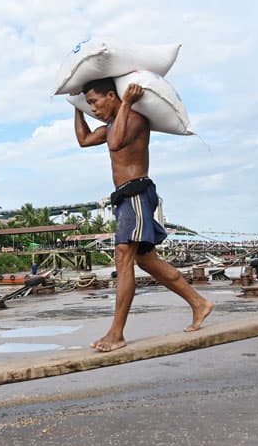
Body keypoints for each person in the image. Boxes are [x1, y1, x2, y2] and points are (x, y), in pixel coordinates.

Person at [74, 77, 213, 352]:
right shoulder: (112, 125)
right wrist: (76, 106)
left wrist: (127, 102)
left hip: (137, 193)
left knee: (123, 256)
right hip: (126, 198)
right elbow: (84, 139)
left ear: (112, 96)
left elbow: (115, 144)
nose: (93, 109)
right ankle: (200, 303)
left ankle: (116, 333)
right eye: (89, 104)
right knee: (148, 261)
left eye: (94, 102)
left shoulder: (134, 118)